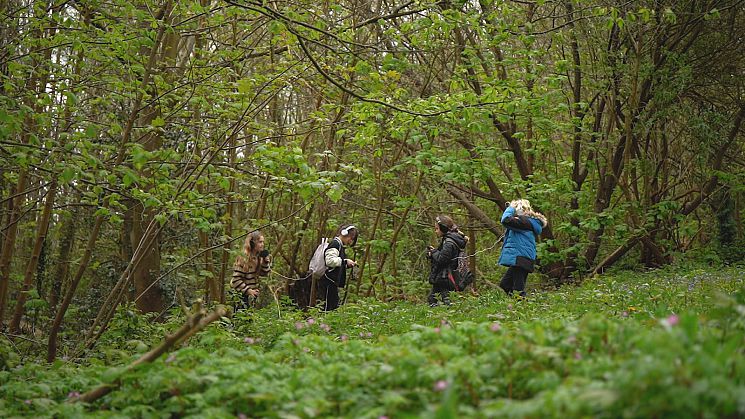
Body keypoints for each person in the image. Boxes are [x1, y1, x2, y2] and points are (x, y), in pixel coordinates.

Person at [498, 199, 548, 297]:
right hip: (521, 258)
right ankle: (516, 305)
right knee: (505, 284)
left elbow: (505, 220)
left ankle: (520, 306)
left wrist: (510, 207)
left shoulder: (524, 222)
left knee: (518, 289)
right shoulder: (526, 222)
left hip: (520, 258)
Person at [426, 215, 468, 307]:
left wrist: (433, 252)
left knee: (446, 301)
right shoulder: (449, 240)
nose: (435, 231)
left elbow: (442, 259)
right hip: (443, 276)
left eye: (437, 228)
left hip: (446, 277)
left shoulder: (449, 242)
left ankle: (451, 317)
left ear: (443, 228)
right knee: (432, 299)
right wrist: (432, 254)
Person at [320, 224, 358, 311]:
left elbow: (337, 262)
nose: (350, 242)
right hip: (328, 281)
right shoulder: (335, 244)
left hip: (332, 282)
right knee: (330, 308)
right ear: (345, 234)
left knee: (333, 306)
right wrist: (344, 261)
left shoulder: (339, 245)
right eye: (351, 238)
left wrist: (346, 264)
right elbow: (329, 261)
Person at [231, 230, 272, 309]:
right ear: (253, 243)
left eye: (263, 242)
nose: (262, 244)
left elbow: (265, 274)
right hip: (240, 295)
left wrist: (265, 262)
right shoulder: (243, 258)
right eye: (260, 242)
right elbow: (235, 280)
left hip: (251, 295)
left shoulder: (258, 257)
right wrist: (249, 290)